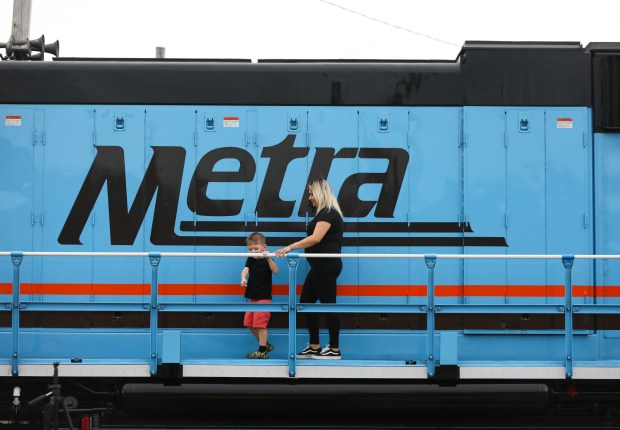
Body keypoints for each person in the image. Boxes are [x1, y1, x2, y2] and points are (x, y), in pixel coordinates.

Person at [274, 179, 344, 359]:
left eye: (312, 194)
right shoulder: (323, 213)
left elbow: (316, 238)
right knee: (306, 303)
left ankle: (334, 349)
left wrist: (290, 247)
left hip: (326, 264)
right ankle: (314, 346)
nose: (310, 198)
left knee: (329, 305)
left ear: (321, 193)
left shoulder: (328, 212)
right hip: (319, 265)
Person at [241, 232, 279, 359]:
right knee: (249, 323)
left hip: (264, 298)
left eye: (256, 248)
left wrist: (268, 258)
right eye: (250, 249)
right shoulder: (251, 259)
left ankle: (262, 351)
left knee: (260, 325)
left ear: (264, 247)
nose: (253, 251)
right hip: (253, 297)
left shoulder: (267, 259)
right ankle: (265, 345)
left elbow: (276, 270)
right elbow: (246, 269)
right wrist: (243, 278)